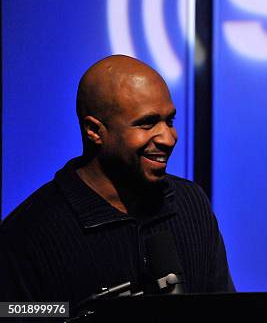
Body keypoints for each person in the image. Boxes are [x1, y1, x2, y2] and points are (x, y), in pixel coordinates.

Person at [0, 55, 234, 310]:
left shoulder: (191, 203)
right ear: (94, 131)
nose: (168, 138)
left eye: (170, 121)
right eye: (147, 123)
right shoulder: (28, 234)